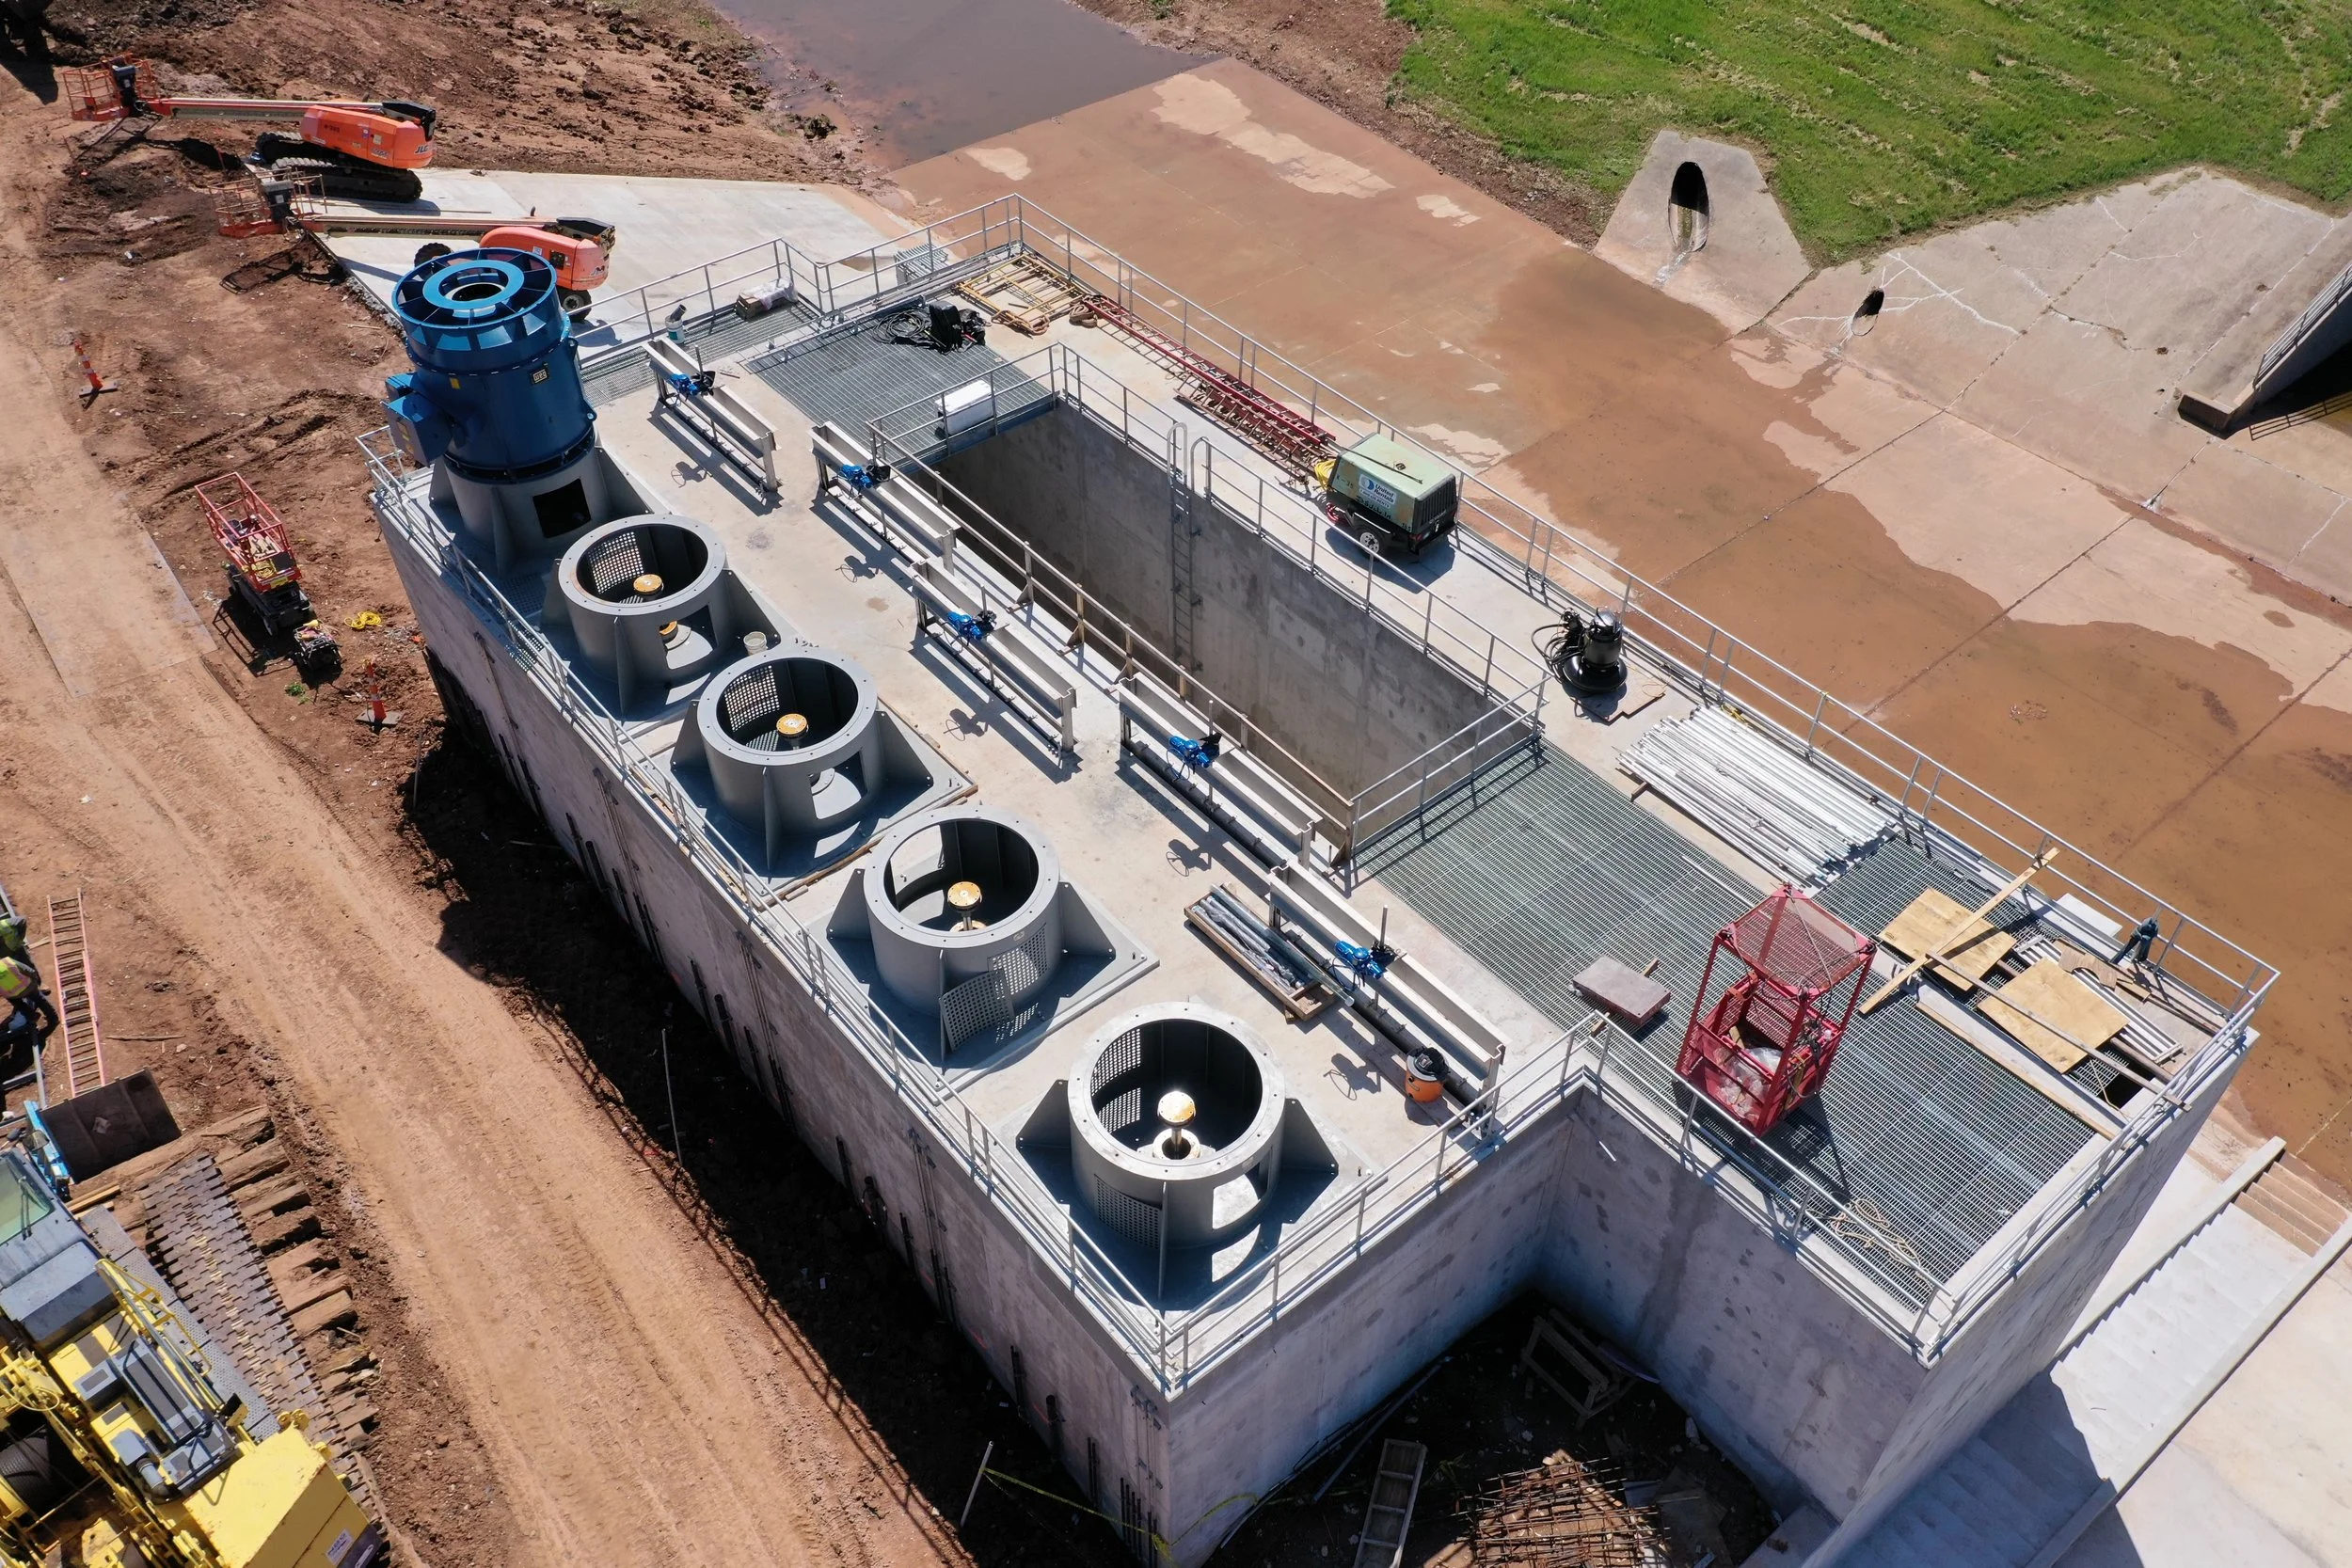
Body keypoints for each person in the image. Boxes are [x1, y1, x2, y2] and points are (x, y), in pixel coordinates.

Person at [0, 957, 56, 1059]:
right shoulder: (6, 961)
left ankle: (31, 1015)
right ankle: (53, 1018)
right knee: (41, 1001)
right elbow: (28, 970)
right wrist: (34, 981)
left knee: (20, 1005)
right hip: (28, 986)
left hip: (13, 995)